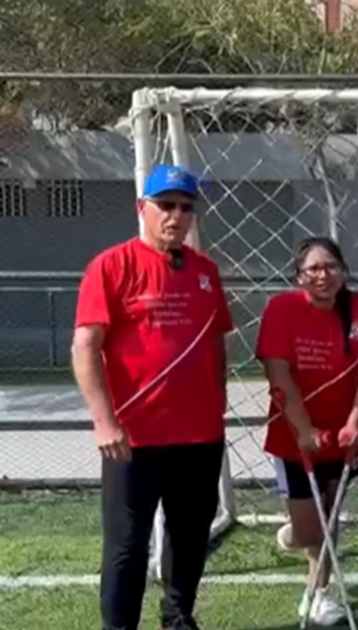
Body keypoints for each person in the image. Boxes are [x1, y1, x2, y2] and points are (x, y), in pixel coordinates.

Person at [73, 165, 233, 630]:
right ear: (142, 208)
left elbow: (217, 342)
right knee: (127, 544)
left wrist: (217, 401)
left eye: (185, 208)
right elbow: (86, 346)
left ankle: (177, 616)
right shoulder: (111, 266)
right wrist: (104, 422)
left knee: (189, 536)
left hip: (200, 436)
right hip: (133, 440)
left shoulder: (206, 271)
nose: (176, 216)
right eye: (166, 205)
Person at [256, 237, 358, 626]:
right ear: (299, 276)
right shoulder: (281, 309)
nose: (323, 275)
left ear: (343, 271)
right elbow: (277, 373)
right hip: (294, 437)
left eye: (331, 266)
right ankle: (291, 537)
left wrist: (356, 420)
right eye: (313, 268)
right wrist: (303, 427)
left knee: (329, 520)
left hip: (343, 435)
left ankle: (317, 595)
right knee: (310, 528)